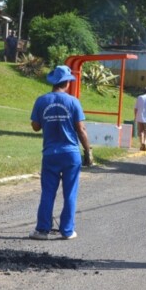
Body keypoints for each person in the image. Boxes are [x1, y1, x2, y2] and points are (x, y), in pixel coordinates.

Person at [29, 65, 92, 240]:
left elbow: (35, 127)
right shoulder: (73, 102)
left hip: (50, 154)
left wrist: (47, 119)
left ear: (53, 82)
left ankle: (42, 230)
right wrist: (88, 151)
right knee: (70, 192)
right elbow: (81, 129)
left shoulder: (42, 100)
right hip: (71, 153)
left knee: (48, 192)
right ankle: (67, 230)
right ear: (67, 83)